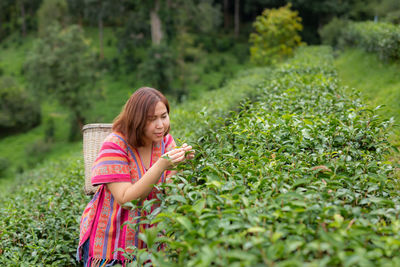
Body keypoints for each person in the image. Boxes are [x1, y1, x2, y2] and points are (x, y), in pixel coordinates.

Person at [76, 87, 194, 266]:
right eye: (151, 119)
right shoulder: (115, 145)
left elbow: (167, 192)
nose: (160, 125)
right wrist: (162, 164)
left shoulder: (166, 142)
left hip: (149, 241)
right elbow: (126, 199)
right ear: (136, 120)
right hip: (111, 244)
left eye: (164, 116)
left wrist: (178, 164)